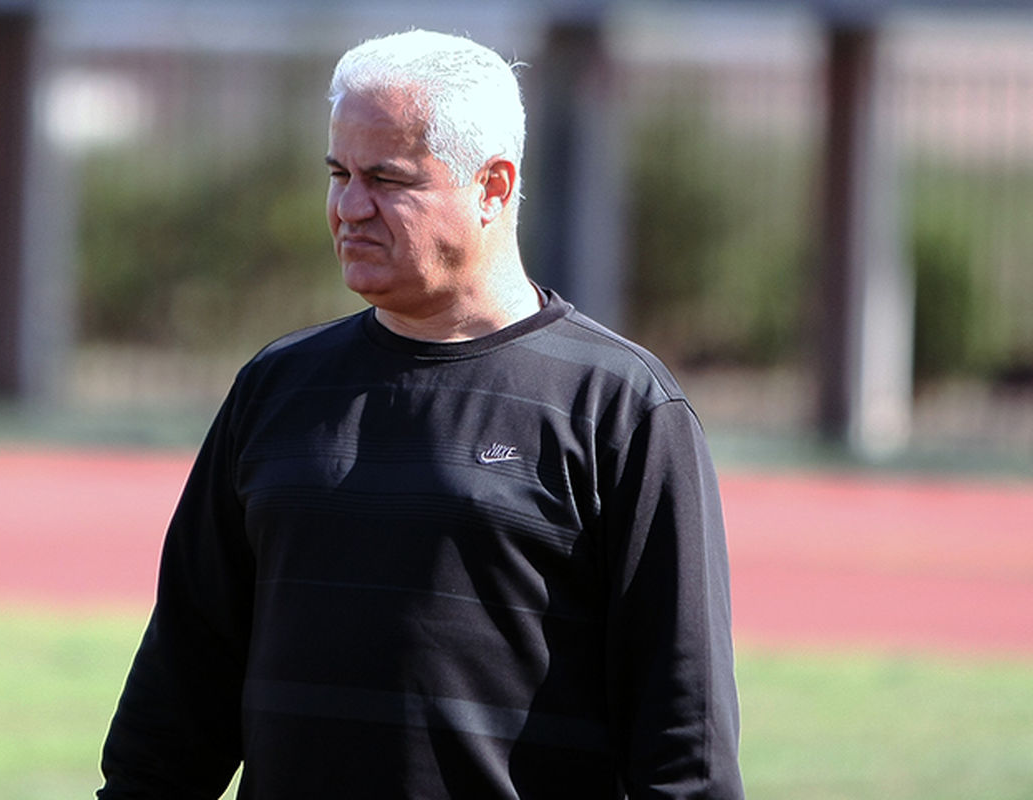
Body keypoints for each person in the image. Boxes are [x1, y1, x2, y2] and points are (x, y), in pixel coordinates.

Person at [97, 29, 743, 799]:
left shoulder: (619, 407)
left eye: (387, 179)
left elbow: (685, 748)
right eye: (338, 173)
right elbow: (177, 704)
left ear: (493, 186)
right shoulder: (276, 387)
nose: (349, 207)